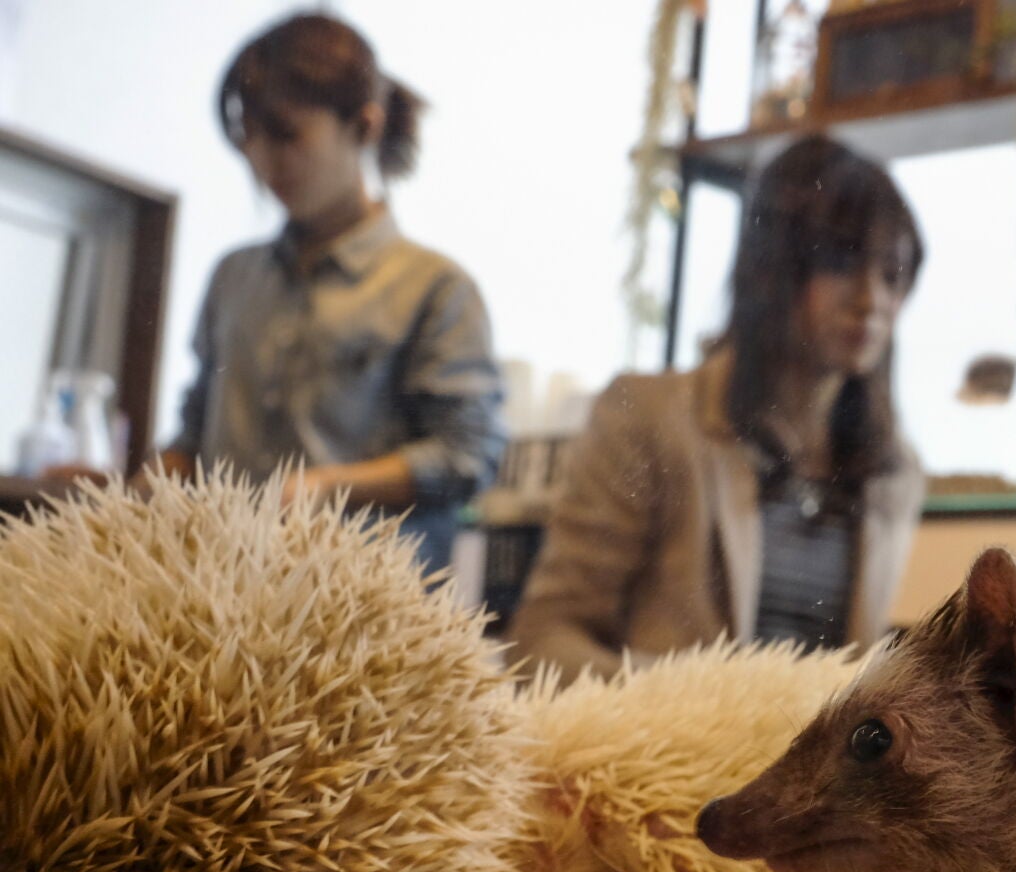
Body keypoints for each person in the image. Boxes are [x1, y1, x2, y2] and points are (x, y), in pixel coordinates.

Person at [508, 135, 927, 684]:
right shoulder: (649, 417)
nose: (871, 301)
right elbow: (543, 642)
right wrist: (696, 716)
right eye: (843, 265)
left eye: (892, 275)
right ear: (772, 269)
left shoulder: (893, 470)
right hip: (665, 761)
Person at [159, 13, 504, 574]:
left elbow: (466, 455)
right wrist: (140, 494)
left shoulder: (435, 287)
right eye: (250, 135)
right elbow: (195, 429)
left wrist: (327, 488)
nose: (265, 159)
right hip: (215, 595)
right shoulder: (233, 278)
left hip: (358, 620)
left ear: (364, 127)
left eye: (287, 133)